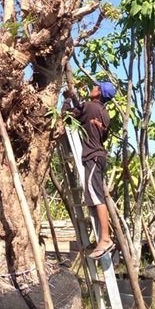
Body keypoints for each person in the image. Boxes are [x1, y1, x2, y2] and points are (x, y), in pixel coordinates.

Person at [62, 81, 117, 259]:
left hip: (92, 157)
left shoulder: (88, 106)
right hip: (99, 156)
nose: (93, 88)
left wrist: (67, 100)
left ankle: (105, 239)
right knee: (94, 196)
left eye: (96, 87)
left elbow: (66, 116)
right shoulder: (105, 114)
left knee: (96, 197)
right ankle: (99, 237)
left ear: (99, 92)